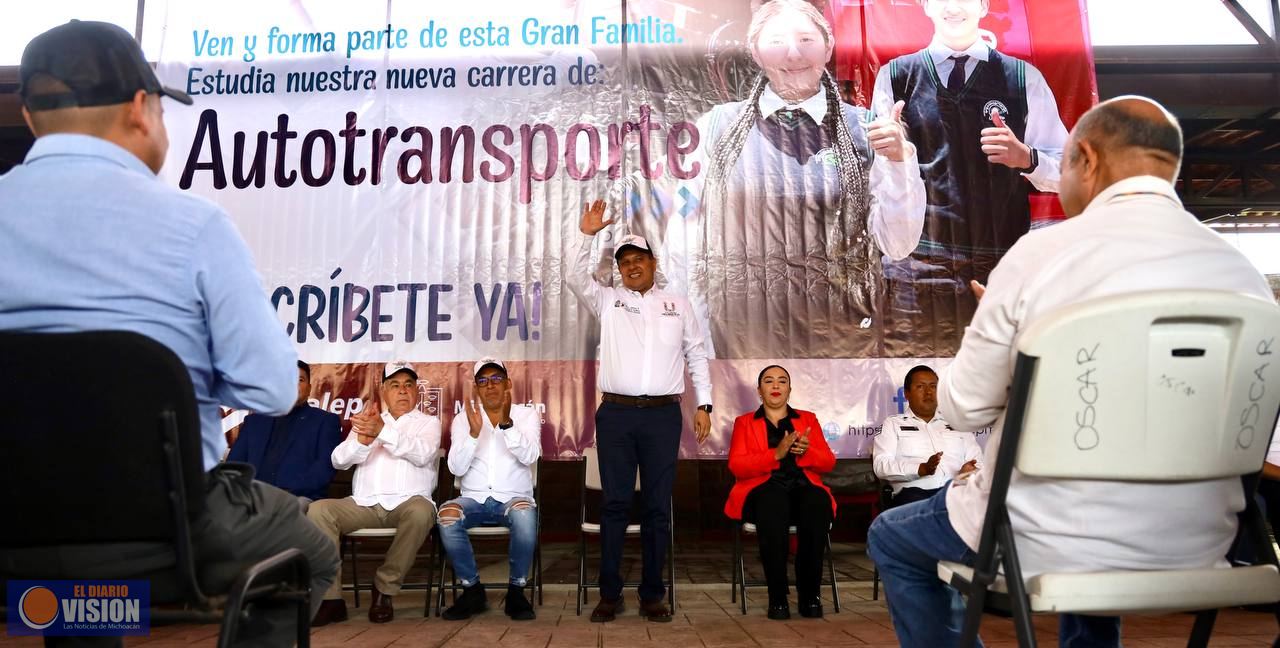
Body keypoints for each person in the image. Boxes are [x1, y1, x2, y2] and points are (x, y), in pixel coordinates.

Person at [866, 96, 1275, 648]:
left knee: (892, 537)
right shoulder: (1242, 274)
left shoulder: (1041, 256)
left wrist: (997, 326)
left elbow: (962, 409)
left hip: (1044, 537)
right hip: (1201, 542)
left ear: (1086, 158)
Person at [0, 21, 337, 647]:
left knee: (75, 584)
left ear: (28, 114)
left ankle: (82, 615)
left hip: (14, 527)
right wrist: (191, 374)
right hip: (167, 533)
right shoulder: (192, 225)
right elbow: (272, 389)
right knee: (310, 553)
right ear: (140, 108)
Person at [659, 0, 925, 359]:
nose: (793, 53)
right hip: (740, 345)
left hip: (843, 348)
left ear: (828, 48)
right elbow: (683, 244)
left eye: (805, 40)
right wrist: (697, 341)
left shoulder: (865, 131)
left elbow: (898, 244)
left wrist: (899, 162)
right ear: (756, 52)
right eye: (777, 41)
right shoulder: (716, 129)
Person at [872, 0, 1070, 356]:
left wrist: (1027, 158)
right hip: (919, 266)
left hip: (1000, 265)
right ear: (925, 6)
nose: (953, 6)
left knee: (1000, 376)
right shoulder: (896, 76)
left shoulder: (1022, 78)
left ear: (983, 6)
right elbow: (881, 177)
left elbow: (1068, 171)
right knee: (918, 379)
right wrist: (896, 152)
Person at [572, 204, 713, 622]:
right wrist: (586, 235)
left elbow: (696, 354)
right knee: (614, 504)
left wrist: (704, 403)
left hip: (662, 417)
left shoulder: (677, 304)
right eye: (625, 262)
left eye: (639, 259)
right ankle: (610, 594)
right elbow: (574, 276)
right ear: (618, 270)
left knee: (656, 507)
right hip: (616, 416)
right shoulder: (608, 300)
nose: (632, 266)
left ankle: (653, 594)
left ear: (654, 263)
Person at [306, 361, 441, 626]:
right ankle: (330, 599)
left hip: (407, 503)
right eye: (395, 385)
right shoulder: (368, 421)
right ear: (383, 391)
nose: (402, 391)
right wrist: (362, 442)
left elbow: (423, 454)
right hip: (364, 504)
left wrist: (382, 432)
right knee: (318, 510)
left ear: (417, 391)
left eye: (408, 385)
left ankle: (384, 588)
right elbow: (339, 460)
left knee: (422, 512)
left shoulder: (428, 423)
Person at [725, 365, 837, 619]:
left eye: (782, 381)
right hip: (762, 492)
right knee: (773, 501)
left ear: (789, 389)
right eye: (768, 381)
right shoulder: (744, 422)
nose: (775, 386)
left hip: (801, 488)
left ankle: (810, 596)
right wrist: (775, 454)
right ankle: (777, 598)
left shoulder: (807, 419)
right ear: (759, 390)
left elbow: (828, 463)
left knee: (817, 501)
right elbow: (737, 466)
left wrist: (807, 451)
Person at [438, 358, 542, 621]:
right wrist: (473, 435)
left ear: (508, 384)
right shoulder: (463, 419)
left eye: (496, 379)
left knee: (524, 515)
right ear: (476, 388)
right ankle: (472, 589)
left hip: (513, 499)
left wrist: (507, 424)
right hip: (473, 500)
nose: (490, 385)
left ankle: (516, 591)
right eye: (483, 381)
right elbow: (455, 468)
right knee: (447, 516)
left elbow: (531, 456)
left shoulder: (525, 415)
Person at [227, 360, 343, 509]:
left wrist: (286, 491)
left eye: (300, 379)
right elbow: (234, 465)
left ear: (309, 388)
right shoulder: (254, 421)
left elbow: (323, 469)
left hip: (297, 496)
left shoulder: (325, 421)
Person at [873, 365, 981, 507]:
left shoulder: (957, 424)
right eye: (920, 387)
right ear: (906, 393)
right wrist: (920, 469)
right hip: (915, 495)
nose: (928, 392)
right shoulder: (893, 424)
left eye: (933, 386)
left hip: (957, 492)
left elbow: (978, 462)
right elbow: (881, 466)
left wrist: (966, 475)